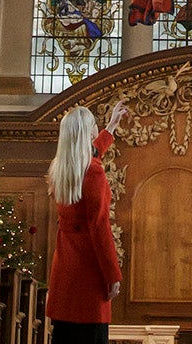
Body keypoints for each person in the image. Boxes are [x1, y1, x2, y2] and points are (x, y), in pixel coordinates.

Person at [45, 99, 128, 344]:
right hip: (89, 271)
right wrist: (112, 273)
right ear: (86, 131)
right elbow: (100, 227)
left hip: (66, 268)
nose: (96, 129)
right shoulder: (92, 171)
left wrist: (111, 127)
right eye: (94, 125)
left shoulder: (60, 168)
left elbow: (90, 153)